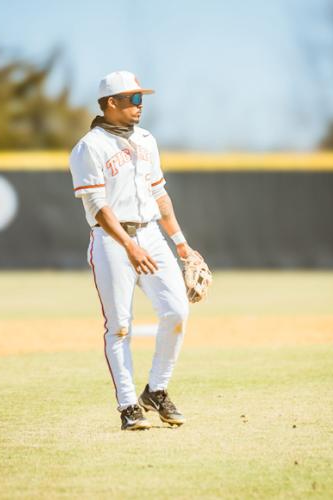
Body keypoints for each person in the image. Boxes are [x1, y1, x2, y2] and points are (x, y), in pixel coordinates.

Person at [70, 70, 198, 431]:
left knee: (176, 311)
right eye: (134, 99)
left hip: (152, 234)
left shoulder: (146, 140)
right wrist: (128, 246)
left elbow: (159, 195)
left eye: (142, 99)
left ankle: (156, 390)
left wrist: (182, 243)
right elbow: (98, 206)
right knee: (120, 326)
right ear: (112, 103)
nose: (141, 105)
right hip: (112, 240)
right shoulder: (88, 147)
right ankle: (128, 405)